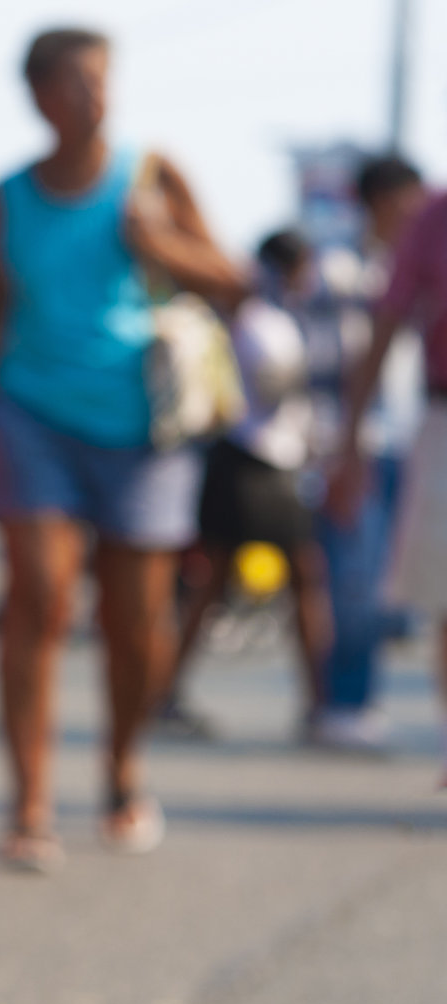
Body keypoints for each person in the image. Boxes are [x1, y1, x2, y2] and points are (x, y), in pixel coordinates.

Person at [0, 27, 245, 872]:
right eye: (77, 82)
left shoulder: (152, 174)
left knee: (132, 620)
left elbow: (231, 277)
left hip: (140, 425)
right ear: (40, 96)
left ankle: (122, 768)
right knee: (39, 595)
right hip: (32, 415)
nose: (95, 97)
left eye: (103, 81)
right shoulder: (7, 196)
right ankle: (30, 804)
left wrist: (161, 245)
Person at [166, 231, 330, 733]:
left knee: (278, 578)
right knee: (232, 580)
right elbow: (270, 389)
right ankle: (319, 704)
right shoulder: (253, 321)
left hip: (274, 461)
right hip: (248, 460)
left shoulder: (279, 320)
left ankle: (318, 703)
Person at [329, 167, 447, 783]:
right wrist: (346, 440)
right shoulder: (429, 223)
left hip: (407, 433)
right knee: (411, 589)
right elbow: (381, 331)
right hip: (425, 422)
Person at [305, 158, 426, 748]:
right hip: (351, 444)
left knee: (387, 585)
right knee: (351, 581)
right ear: (379, 201)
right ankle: (343, 704)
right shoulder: (338, 267)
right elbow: (328, 366)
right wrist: (339, 449)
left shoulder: (413, 260)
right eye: (408, 200)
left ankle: (354, 701)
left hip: (409, 439)